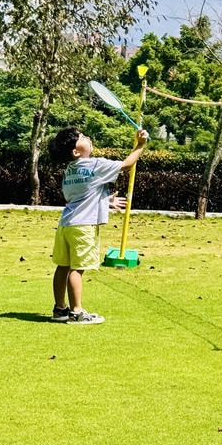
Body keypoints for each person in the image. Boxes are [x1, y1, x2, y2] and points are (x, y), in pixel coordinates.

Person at [48, 124, 149, 324]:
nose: (87, 137)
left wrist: (107, 201)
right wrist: (140, 145)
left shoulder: (69, 170)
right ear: (76, 151)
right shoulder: (94, 165)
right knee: (77, 269)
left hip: (66, 224)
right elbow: (127, 165)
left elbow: (82, 194)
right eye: (82, 137)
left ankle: (60, 309)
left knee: (63, 266)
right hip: (84, 226)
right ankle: (76, 312)